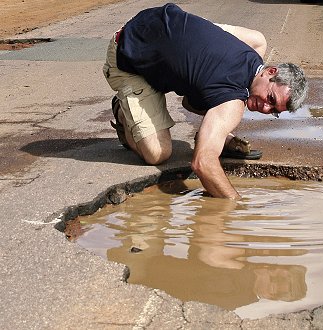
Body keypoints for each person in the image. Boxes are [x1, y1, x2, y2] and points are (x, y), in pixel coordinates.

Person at [103, 3, 308, 200]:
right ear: (270, 72)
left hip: (153, 22)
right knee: (158, 154)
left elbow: (189, 103)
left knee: (253, 44)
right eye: (270, 98)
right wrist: (236, 205)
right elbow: (202, 163)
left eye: (273, 109)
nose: (264, 107)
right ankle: (122, 111)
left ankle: (214, 134)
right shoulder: (233, 103)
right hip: (128, 56)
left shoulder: (254, 46)